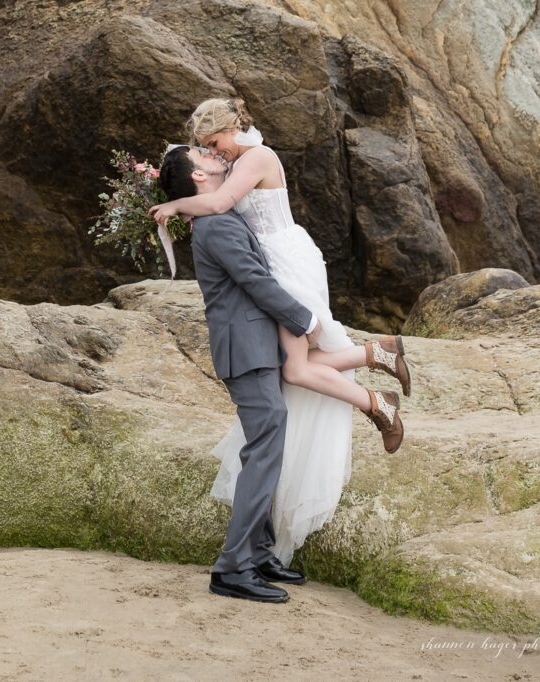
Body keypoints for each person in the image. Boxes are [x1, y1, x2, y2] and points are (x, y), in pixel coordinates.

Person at [152, 98, 410, 567]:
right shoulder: (223, 195)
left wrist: (172, 204)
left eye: (214, 145)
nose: (215, 154)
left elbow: (220, 202)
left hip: (285, 262)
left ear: (228, 129)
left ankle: (377, 389)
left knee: (295, 372)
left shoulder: (251, 161)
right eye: (207, 152)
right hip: (274, 277)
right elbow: (222, 216)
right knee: (296, 373)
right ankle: (375, 364)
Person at [157, 144, 318, 603]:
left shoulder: (216, 216)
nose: (213, 156)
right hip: (244, 350)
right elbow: (254, 280)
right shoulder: (215, 226)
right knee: (265, 445)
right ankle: (232, 567)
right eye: (202, 156)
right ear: (199, 178)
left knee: (264, 446)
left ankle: (259, 551)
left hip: (254, 346)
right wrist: (303, 319)